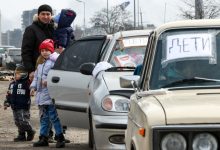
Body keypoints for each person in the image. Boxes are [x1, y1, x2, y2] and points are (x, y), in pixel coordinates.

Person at [30, 39, 65, 148]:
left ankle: (60, 138)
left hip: (51, 95)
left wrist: (48, 81)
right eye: (42, 50)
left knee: (54, 117)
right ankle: (43, 138)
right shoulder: (40, 65)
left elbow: (58, 75)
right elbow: (36, 78)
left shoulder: (54, 63)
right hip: (42, 96)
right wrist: (33, 87)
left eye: (47, 50)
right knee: (44, 118)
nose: (44, 52)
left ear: (51, 51)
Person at [21, 4, 54, 81]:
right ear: (38, 15)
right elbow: (26, 51)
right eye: (43, 14)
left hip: (51, 70)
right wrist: (31, 70)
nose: (45, 17)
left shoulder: (53, 29)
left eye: (48, 14)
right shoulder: (31, 29)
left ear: (51, 15)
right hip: (36, 70)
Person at [3, 65, 35, 142]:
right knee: (17, 122)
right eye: (15, 73)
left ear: (24, 75)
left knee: (23, 121)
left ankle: (30, 131)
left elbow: (33, 85)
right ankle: (21, 135)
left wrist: (32, 89)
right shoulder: (12, 84)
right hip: (14, 106)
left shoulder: (26, 83)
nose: (15, 75)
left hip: (23, 106)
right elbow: (9, 94)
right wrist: (7, 102)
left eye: (18, 74)